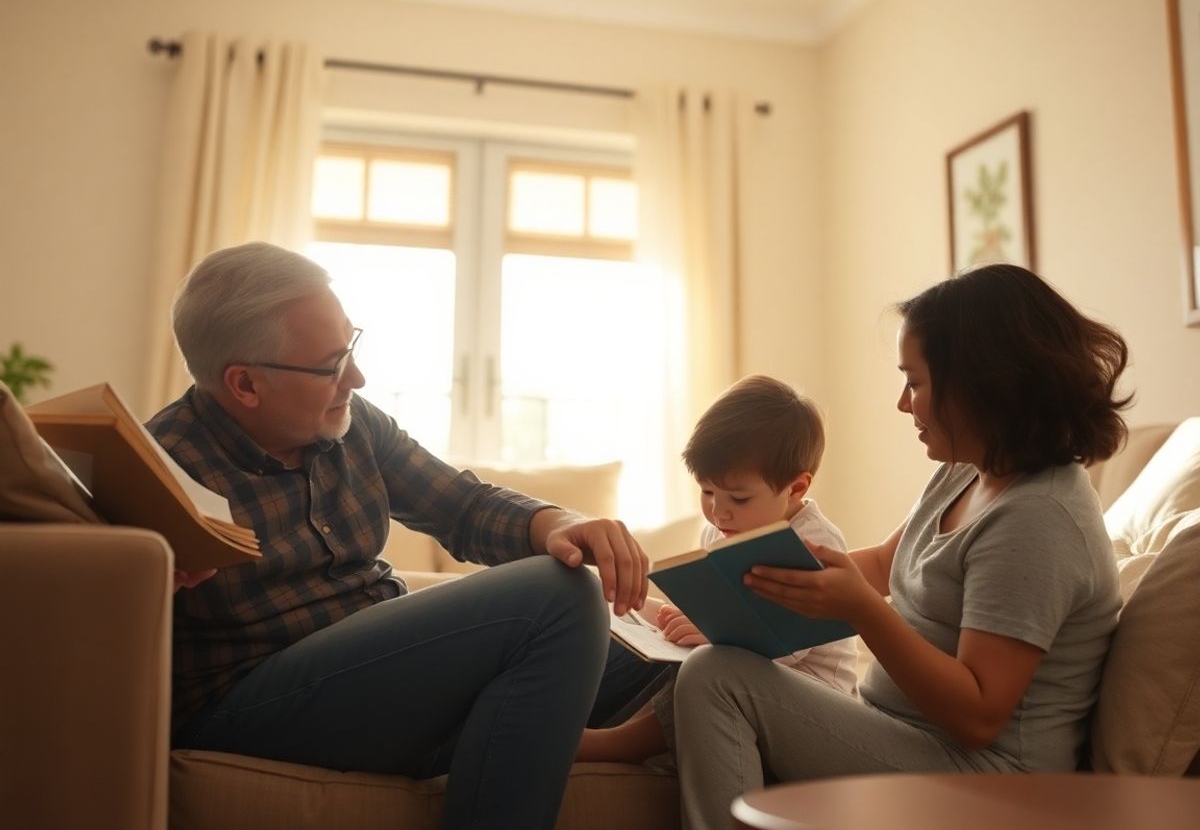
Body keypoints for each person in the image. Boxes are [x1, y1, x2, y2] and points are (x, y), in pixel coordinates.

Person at [151, 241, 668, 830]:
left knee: (663, 652)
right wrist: (145, 581)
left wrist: (562, 523)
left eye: (352, 346)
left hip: (388, 677)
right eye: (330, 365)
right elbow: (92, 620)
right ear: (244, 383)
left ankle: (492, 739)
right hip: (252, 702)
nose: (357, 376)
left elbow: (463, 508)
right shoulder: (162, 465)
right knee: (559, 597)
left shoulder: (351, 423)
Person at [671, 264, 1130, 829]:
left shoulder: (1039, 521)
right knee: (705, 665)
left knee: (716, 679)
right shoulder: (969, 470)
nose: (901, 403)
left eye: (914, 382)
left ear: (982, 384)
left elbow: (979, 716)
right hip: (903, 736)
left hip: (986, 779)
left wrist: (861, 611)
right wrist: (752, 587)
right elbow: (889, 563)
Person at [576, 375, 858, 764]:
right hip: (750, 679)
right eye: (707, 491)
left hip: (813, 703)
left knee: (707, 668)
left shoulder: (813, 544)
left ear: (796, 488)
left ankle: (620, 743)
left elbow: (788, 647)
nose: (718, 510)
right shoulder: (723, 527)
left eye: (739, 498)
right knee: (636, 626)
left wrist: (712, 633)